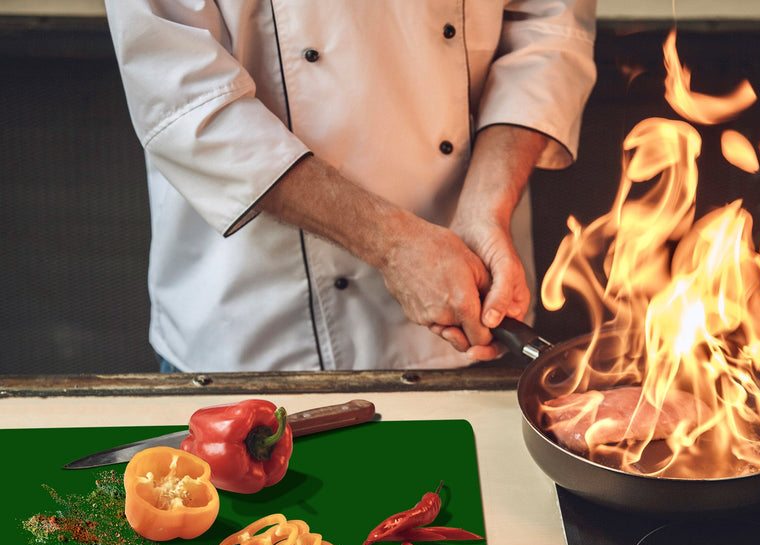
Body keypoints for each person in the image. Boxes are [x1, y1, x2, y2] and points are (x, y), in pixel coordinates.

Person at [104, 1, 597, 371]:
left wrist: (487, 208)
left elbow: (548, 32)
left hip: (474, 290)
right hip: (260, 321)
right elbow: (186, 99)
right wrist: (393, 246)